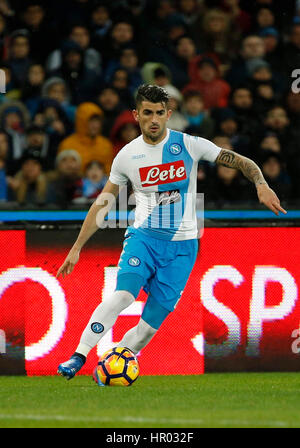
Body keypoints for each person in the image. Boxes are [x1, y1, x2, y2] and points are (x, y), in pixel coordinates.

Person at [56, 84, 286, 381]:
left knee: (148, 328)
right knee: (123, 296)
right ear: (136, 115)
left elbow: (241, 161)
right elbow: (103, 202)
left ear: (168, 114)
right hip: (143, 238)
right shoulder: (126, 156)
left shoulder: (189, 144)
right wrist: (77, 246)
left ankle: (110, 365)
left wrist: (260, 183)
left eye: (160, 113)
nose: (154, 119)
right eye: (147, 113)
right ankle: (79, 355)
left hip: (182, 248)